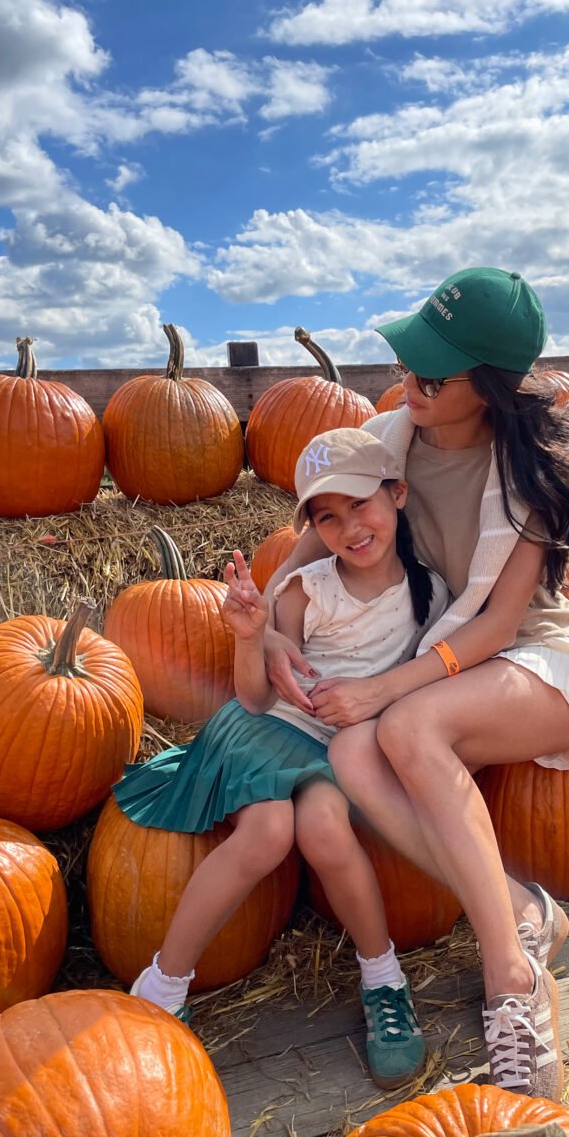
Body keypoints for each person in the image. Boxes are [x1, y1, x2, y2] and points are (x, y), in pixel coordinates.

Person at [262, 267, 569, 1101]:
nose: (411, 385)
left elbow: (497, 627)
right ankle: (522, 906)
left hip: (530, 661)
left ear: (487, 387)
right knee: (351, 751)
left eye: (433, 374)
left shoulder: (527, 471)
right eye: (411, 364)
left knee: (399, 729)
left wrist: (386, 692)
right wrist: (276, 627)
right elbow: (307, 546)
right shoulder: (385, 440)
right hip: (441, 663)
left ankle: (511, 978)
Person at [114, 426, 449, 1090]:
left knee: (324, 827)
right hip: (266, 727)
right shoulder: (304, 588)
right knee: (267, 831)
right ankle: (160, 987)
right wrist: (249, 635)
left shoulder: (429, 594)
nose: (349, 527)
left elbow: (422, 682)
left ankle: (383, 980)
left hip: (333, 748)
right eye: (328, 517)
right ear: (314, 528)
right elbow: (254, 693)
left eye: (361, 505)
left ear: (399, 494)